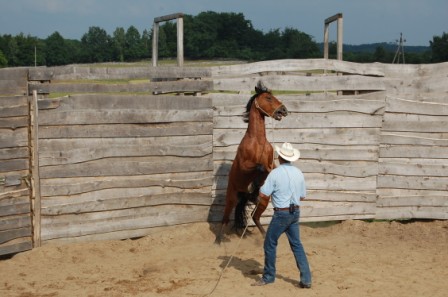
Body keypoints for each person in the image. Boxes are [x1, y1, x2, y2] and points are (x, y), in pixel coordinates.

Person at [251, 142, 312, 288]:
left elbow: (263, 193)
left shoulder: (275, 173)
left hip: (281, 214)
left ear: (279, 157)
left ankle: (268, 277)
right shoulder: (298, 172)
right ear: (291, 158)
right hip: (295, 212)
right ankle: (306, 279)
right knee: (297, 245)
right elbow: (302, 196)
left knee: (270, 244)